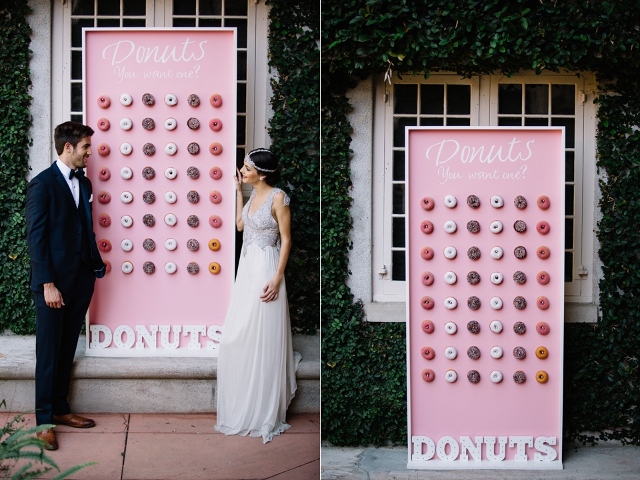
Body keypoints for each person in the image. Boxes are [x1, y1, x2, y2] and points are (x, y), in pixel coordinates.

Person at [25, 121, 106, 450]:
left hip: (81, 279)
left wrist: (94, 263)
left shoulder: (84, 183)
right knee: (48, 351)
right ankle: (44, 420)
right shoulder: (42, 185)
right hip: (53, 284)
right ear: (68, 147)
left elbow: (82, 227)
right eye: (86, 146)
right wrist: (47, 283)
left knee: (67, 347)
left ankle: (60, 409)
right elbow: (36, 237)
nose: (91, 152)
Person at [215, 148, 297, 443]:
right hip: (247, 269)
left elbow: (286, 240)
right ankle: (243, 400)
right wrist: (238, 192)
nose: (242, 170)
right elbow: (240, 226)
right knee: (237, 336)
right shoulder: (253, 196)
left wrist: (276, 278)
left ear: (262, 173)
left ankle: (261, 409)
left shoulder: (278, 197)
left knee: (262, 334)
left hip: (266, 270)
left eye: (247, 167)